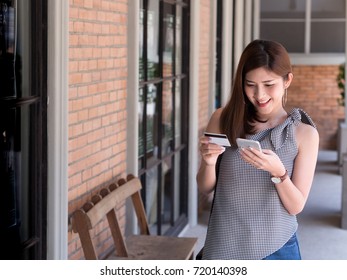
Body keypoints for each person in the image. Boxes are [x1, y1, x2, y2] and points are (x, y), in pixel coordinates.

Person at [196, 39, 319, 260]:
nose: (260, 95)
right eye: (250, 84)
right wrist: (209, 162)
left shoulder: (303, 134)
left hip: (276, 249)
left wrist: (278, 173)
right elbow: (205, 188)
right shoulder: (223, 119)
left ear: (287, 80)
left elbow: (295, 207)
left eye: (269, 84)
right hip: (224, 244)